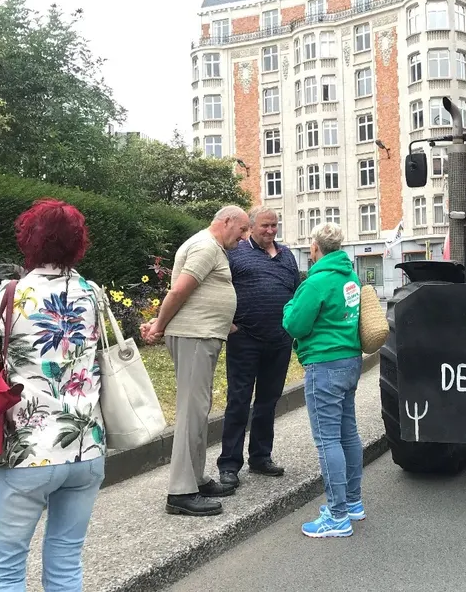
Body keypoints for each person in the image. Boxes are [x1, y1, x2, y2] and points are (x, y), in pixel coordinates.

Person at [0, 199, 106, 590]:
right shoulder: (93, 292)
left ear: (30, 241)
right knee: (67, 558)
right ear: (77, 244)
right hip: (87, 445)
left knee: (5, 564)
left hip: (29, 450)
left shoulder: (10, 293)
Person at [141, 205, 250, 517]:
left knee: (199, 409)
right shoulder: (205, 246)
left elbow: (200, 293)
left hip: (202, 335)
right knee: (192, 411)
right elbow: (178, 291)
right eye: (241, 230)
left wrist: (223, 319)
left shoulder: (210, 247)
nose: (244, 238)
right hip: (194, 337)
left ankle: (197, 479)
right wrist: (159, 325)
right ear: (226, 221)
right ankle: (181, 491)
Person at [282, 222, 365, 539]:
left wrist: (289, 305)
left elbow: (296, 324)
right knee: (348, 433)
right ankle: (353, 502)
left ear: (315, 249)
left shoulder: (315, 283)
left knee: (327, 440)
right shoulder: (350, 277)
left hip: (324, 364)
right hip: (350, 361)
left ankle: (337, 516)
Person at [217, 206, 300, 489]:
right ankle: (229, 464)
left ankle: (261, 457)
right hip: (245, 339)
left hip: (279, 340)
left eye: (274, 225)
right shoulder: (235, 253)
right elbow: (217, 288)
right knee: (238, 400)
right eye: (265, 226)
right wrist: (227, 323)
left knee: (268, 401)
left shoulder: (287, 255)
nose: (270, 231)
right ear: (251, 227)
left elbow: (295, 291)